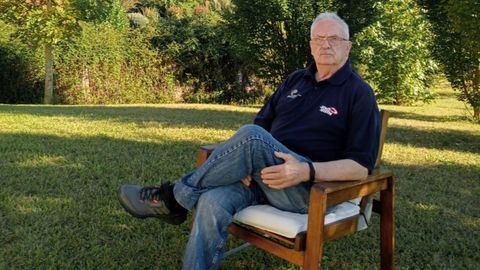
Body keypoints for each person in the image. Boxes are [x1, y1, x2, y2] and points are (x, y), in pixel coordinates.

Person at [118, 11, 380, 270]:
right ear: (311, 45)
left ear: (348, 46)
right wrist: (244, 163)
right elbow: (262, 124)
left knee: (251, 138)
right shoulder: (295, 81)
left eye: (334, 38)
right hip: (262, 176)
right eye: (319, 38)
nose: (325, 44)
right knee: (212, 200)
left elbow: (360, 166)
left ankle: (173, 199)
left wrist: (304, 171)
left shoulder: (359, 94)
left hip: (307, 190)